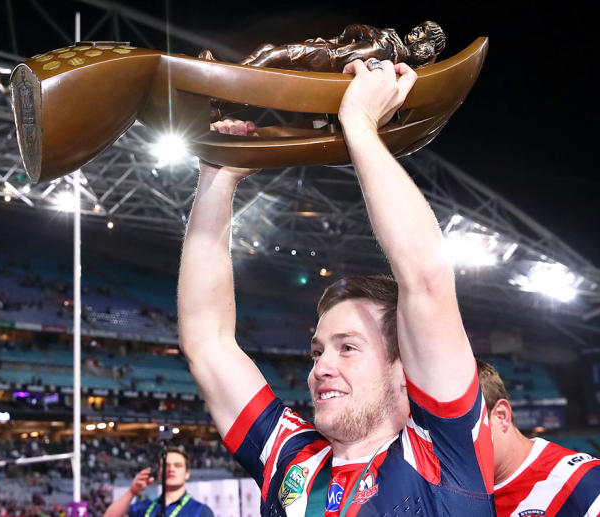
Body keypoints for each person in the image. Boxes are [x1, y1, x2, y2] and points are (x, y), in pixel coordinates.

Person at [178, 57, 494, 516]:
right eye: (317, 350)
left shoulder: (444, 451)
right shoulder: (289, 459)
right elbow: (207, 341)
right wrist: (217, 176)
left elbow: (424, 276)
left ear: (404, 369)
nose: (321, 367)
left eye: (347, 348)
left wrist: (359, 124)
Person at [476, 360, 600, 516]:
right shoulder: (452, 500)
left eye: (460, 429)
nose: (447, 450)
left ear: (501, 416)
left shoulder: (599, 491)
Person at [199, 21, 445, 72]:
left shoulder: (398, 55)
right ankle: (219, 106)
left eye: (423, 33)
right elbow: (353, 29)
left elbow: (421, 58)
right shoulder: (388, 36)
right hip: (329, 50)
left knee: (273, 55)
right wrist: (346, 37)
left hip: (331, 59)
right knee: (267, 50)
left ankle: (226, 77)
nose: (416, 31)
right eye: (419, 27)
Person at [103, 448, 213, 517]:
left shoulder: (201, 511)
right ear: (159, 473)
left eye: (178, 465)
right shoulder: (143, 508)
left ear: (187, 474)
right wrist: (132, 492)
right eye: (166, 465)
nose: (171, 469)